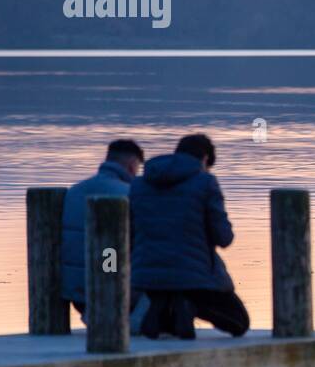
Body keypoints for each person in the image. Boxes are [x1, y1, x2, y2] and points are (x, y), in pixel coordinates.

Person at [130, 133, 249, 338]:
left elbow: (128, 233)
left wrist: (111, 265)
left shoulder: (139, 184)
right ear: (204, 159)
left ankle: (165, 312)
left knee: (165, 297)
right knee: (239, 322)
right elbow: (224, 237)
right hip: (195, 277)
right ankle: (187, 305)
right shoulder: (205, 183)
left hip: (148, 276)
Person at [60, 139, 147, 324]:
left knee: (110, 253)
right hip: (107, 285)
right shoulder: (129, 193)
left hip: (73, 290)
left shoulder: (74, 191)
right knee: (114, 253)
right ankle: (134, 323)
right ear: (132, 165)